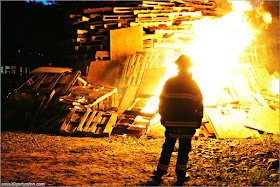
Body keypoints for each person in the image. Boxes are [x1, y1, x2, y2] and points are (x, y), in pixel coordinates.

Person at [152, 54, 203, 186]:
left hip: (171, 122)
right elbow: (200, 104)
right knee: (184, 148)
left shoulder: (169, 83)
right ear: (188, 67)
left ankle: (160, 172)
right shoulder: (193, 85)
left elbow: (162, 101)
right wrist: (199, 120)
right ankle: (181, 174)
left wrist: (163, 117)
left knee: (168, 146)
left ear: (177, 67)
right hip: (188, 123)